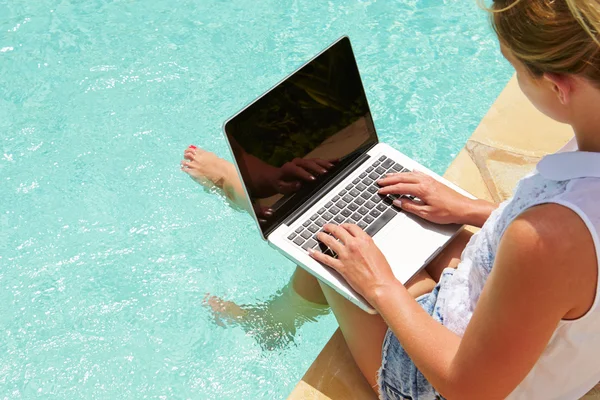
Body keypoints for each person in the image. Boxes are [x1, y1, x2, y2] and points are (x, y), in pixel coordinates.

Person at [183, 0, 600, 397]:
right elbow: (569, 253)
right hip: (516, 323)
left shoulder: (547, 238)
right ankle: (277, 295)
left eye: (517, 70)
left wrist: (380, 285)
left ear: (559, 87)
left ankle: (270, 305)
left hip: (449, 382)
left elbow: (471, 390)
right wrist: (471, 209)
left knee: (328, 241)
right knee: (366, 220)